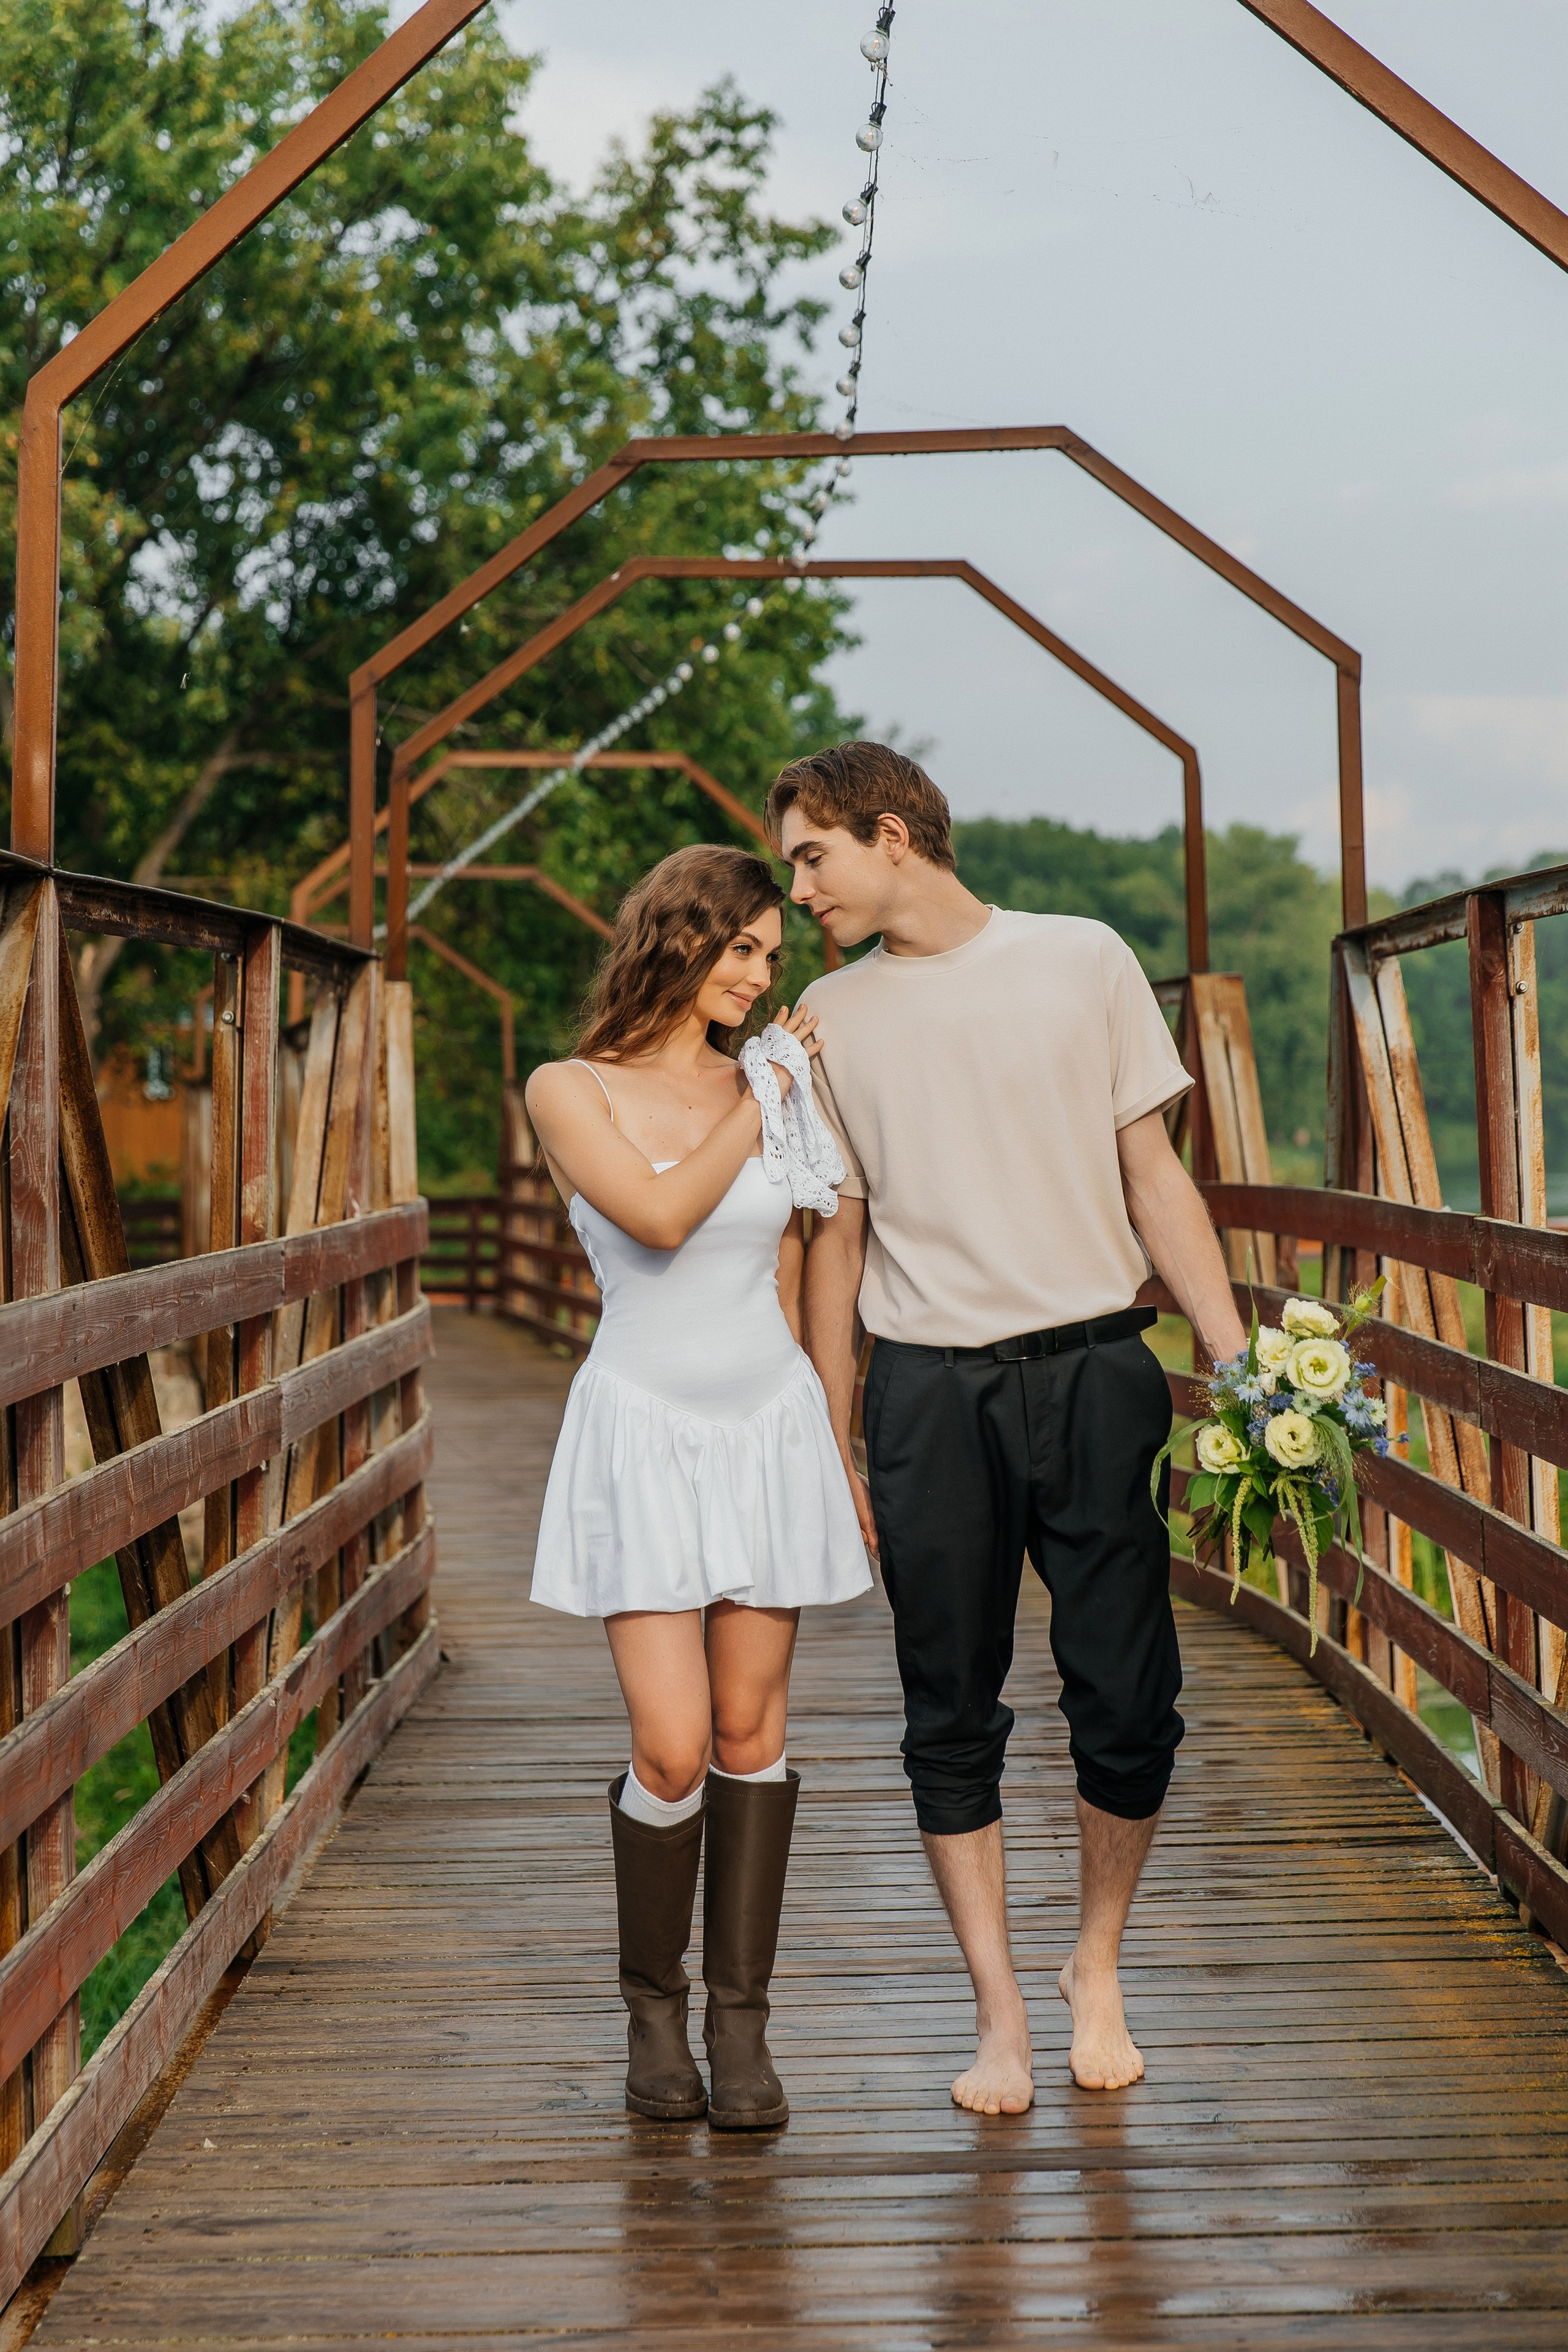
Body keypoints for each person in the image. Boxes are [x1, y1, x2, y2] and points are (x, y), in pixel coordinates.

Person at [771, 742, 1248, 2114]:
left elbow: (1151, 1177)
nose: (801, 887)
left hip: (1099, 1374)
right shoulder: (826, 1015)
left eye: (814, 855)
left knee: (1127, 1704)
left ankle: (1092, 1963)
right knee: (948, 1708)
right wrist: (831, 1431)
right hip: (929, 1393)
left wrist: (1238, 1367)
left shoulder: (1080, 958)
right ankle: (997, 2012)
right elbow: (834, 1242)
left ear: (890, 835)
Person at [526, 843, 870, 2132]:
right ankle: (650, 2008)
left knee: (748, 1736)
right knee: (668, 1745)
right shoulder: (570, 1087)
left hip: (762, 1422)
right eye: (741, 950)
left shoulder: (770, 1083)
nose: (759, 978)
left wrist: (831, 1437)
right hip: (642, 1425)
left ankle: (739, 2029)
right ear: (677, 937)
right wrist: (762, 1089)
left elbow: (799, 1260)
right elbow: (659, 1219)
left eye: (773, 958)